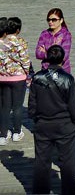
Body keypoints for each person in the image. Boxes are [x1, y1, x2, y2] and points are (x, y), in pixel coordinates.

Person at [29, 45, 75, 195]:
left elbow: (32, 103)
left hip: (43, 123)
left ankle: (40, 190)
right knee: (67, 161)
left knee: (42, 160)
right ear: (63, 59)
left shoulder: (37, 77)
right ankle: (70, 191)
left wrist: (35, 117)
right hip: (64, 125)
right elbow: (73, 105)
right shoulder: (67, 79)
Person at [0, 17, 32, 145]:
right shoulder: (21, 42)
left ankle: (3, 134)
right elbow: (25, 60)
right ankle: (17, 132)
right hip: (18, 78)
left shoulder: (1, 42)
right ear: (18, 30)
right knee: (17, 106)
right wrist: (26, 72)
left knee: (4, 106)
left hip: (3, 78)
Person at [37, 9, 72, 74]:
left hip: (62, 71)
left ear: (61, 20)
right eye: (48, 20)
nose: (50, 22)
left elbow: (64, 56)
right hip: (46, 70)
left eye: (54, 20)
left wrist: (46, 52)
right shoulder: (44, 34)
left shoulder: (66, 35)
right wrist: (55, 53)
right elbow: (38, 54)